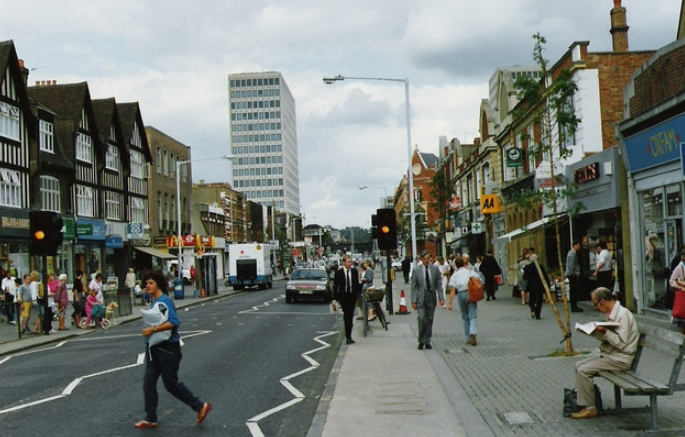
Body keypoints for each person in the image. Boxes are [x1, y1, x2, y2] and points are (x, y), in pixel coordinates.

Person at [135, 270, 211, 429]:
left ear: (158, 284)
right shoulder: (156, 302)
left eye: (150, 283)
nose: (147, 286)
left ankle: (200, 406)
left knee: (171, 384)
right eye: (146, 283)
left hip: (167, 349)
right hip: (154, 349)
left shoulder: (164, 301)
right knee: (148, 384)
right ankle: (151, 418)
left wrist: (153, 329)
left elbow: (175, 322)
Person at [571, 287, 639, 419]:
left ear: (602, 301)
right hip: (611, 356)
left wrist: (605, 332)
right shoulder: (613, 313)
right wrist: (594, 332)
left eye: (595, 304)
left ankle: (590, 408)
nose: (595, 308)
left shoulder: (622, 315)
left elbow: (621, 344)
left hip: (620, 359)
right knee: (578, 365)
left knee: (583, 370)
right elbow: (610, 339)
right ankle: (584, 403)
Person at [410, 250, 445, 350]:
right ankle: (421, 340)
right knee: (422, 318)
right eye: (424, 259)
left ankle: (427, 340)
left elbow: (439, 285)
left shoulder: (435, 269)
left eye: (428, 259)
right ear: (421, 259)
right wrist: (413, 300)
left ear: (430, 259)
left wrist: (441, 298)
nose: (426, 261)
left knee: (429, 319)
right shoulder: (416, 270)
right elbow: (414, 287)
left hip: (431, 296)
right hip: (421, 297)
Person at [447, 255, 481, 345]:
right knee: (472, 315)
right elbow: (478, 279)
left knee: (465, 316)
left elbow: (452, 290)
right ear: (464, 263)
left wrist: (450, 303)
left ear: (456, 265)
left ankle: (468, 338)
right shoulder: (469, 272)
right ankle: (473, 332)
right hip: (471, 292)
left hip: (461, 294)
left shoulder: (455, 275)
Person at [333, 255, 362, 345]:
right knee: (347, 314)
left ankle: (349, 336)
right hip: (343, 297)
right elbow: (335, 286)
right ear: (344, 262)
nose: (349, 264)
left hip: (352, 296)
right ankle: (348, 337)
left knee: (350, 315)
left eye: (350, 262)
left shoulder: (354, 271)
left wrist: (359, 292)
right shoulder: (339, 272)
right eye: (348, 262)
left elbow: (357, 284)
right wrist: (334, 299)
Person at [523, 254, 550, 320]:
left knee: (532, 299)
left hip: (531, 286)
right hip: (540, 286)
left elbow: (524, 277)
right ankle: (538, 314)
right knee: (539, 300)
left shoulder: (527, 267)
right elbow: (545, 276)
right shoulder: (540, 267)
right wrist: (548, 285)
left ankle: (533, 309)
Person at [669, 249, 685, 334]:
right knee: (682, 324)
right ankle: (681, 344)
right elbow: (672, 280)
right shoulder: (680, 267)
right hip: (683, 296)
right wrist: (679, 287)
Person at [565, 239, 583, 312]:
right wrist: (572, 274)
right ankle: (574, 307)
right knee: (573, 291)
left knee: (573, 291)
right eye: (578, 246)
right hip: (573, 275)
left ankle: (574, 306)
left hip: (571, 274)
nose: (579, 247)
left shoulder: (571, 252)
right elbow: (571, 265)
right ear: (574, 245)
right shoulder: (573, 253)